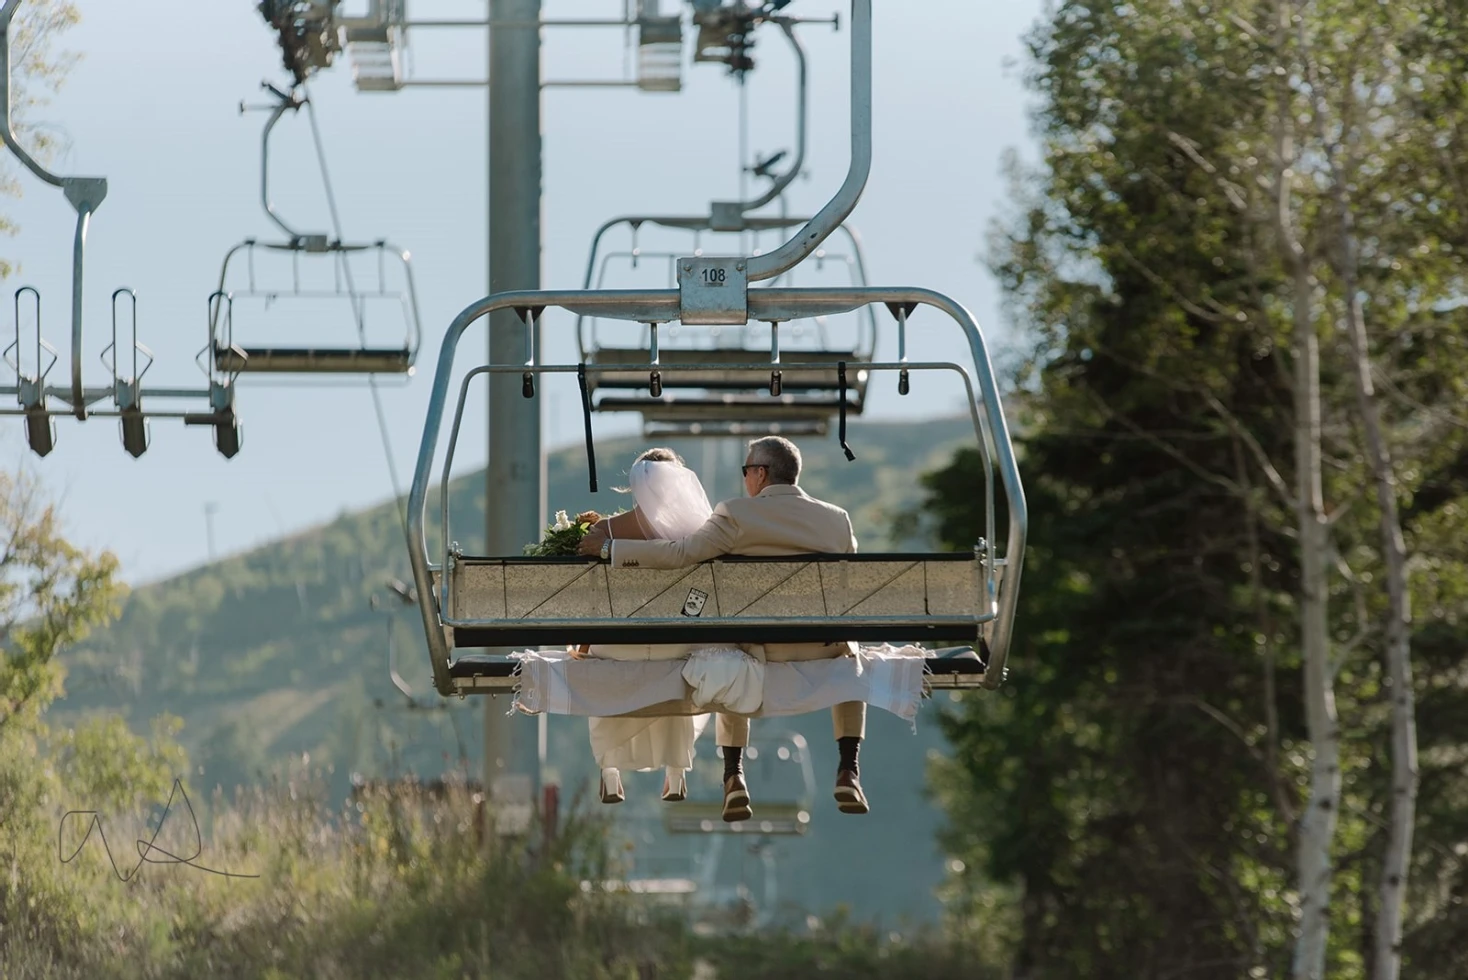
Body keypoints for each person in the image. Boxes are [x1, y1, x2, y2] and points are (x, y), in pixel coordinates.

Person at [579, 435, 869, 821]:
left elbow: (681, 554)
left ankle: (734, 775)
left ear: (760, 473)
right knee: (852, 659)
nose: (745, 478)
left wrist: (608, 549)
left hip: (762, 648)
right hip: (824, 645)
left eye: (746, 470)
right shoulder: (837, 519)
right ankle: (849, 768)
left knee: (730, 649)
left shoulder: (736, 515)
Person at [580, 448, 716, 805]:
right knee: (681, 668)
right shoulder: (702, 531)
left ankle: (610, 773)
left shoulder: (604, 532)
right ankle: (676, 773)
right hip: (677, 643)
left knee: (598, 666)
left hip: (618, 645)